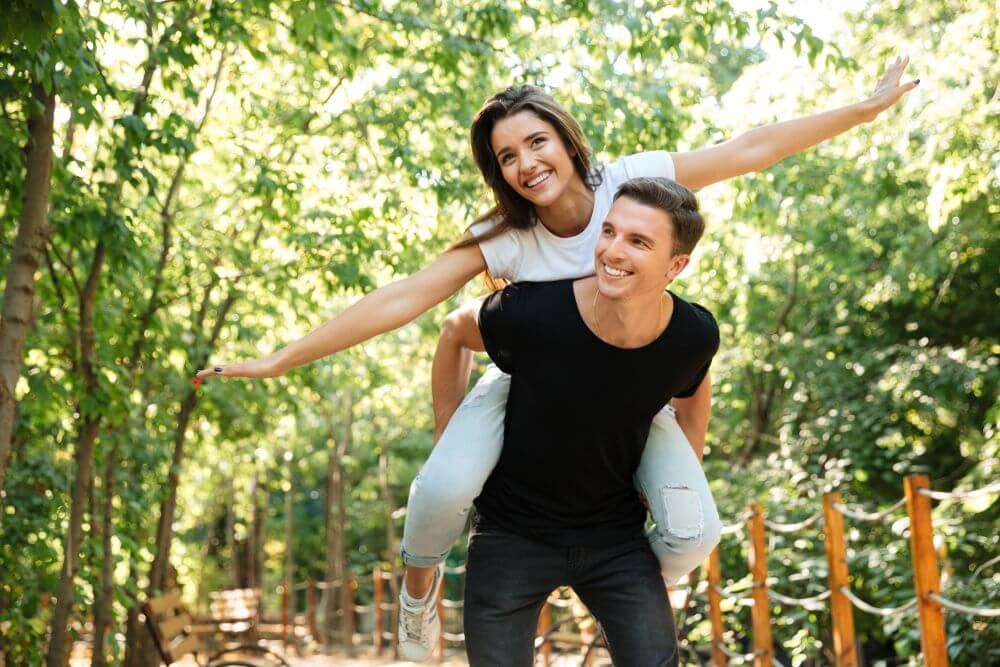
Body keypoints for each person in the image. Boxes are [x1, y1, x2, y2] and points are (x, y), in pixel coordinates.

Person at [194, 58, 918, 660]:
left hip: (627, 388)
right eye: (506, 157)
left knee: (696, 525)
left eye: (535, 142)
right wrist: (282, 359)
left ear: (569, 142)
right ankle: (421, 592)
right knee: (444, 487)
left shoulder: (631, 184)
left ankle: (626, 589)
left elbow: (749, 148)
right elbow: (405, 299)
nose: (524, 164)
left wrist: (863, 109)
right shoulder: (503, 238)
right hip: (526, 385)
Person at [445, 176, 716, 665]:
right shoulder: (533, 313)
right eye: (609, 231)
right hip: (512, 532)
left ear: (676, 265)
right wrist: (450, 444)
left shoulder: (692, 334)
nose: (612, 250)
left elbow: (693, 392)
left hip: (616, 538)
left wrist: (680, 482)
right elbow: (453, 333)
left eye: (638, 241)